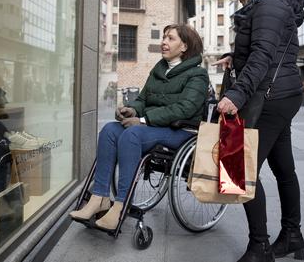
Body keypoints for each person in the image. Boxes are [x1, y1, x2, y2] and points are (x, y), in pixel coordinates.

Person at [69, 24, 208, 230]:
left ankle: (121, 204)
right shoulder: (159, 69)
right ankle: (99, 198)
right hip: (153, 127)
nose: (163, 42)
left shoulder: (198, 75)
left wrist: (143, 120)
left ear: (184, 46)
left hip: (181, 132)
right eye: (163, 37)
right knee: (109, 130)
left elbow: (184, 109)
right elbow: (143, 99)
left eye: (170, 38)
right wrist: (132, 110)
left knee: (132, 134)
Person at [214, 0, 304, 262]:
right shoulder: (270, 4)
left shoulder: (267, 6)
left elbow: (263, 55)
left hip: (271, 96)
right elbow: (268, 48)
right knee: (283, 169)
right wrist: (233, 56)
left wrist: (236, 94)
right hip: (280, 93)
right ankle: (292, 237)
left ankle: (260, 247)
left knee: (239, 168)